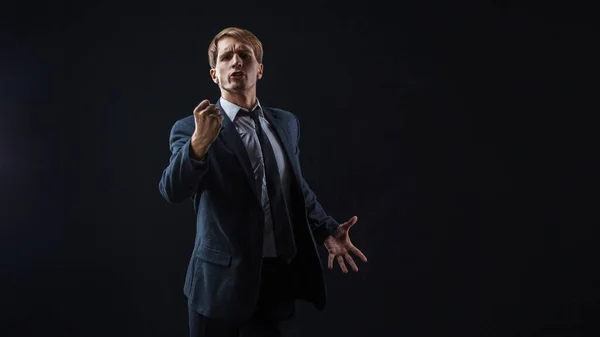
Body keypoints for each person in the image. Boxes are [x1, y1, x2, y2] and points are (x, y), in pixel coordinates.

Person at [158, 27, 368, 337]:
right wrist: (197, 146)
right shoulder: (190, 128)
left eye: (245, 55)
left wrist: (326, 230)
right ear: (215, 74)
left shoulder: (285, 122)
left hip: (274, 280)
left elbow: (294, 187)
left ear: (260, 68)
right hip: (217, 285)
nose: (236, 62)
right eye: (227, 56)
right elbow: (171, 190)